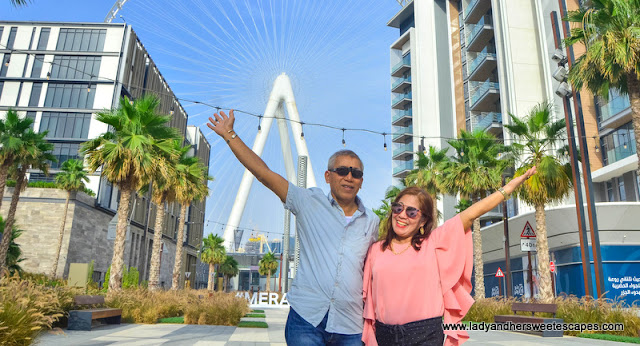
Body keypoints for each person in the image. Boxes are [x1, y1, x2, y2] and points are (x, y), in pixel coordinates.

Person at [208, 110, 379, 345]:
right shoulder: (307, 201)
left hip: (350, 325)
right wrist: (229, 135)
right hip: (306, 319)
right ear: (328, 176)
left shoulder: (373, 222)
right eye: (342, 171)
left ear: (361, 180)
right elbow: (264, 174)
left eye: (356, 173)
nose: (349, 177)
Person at [362, 167, 536, 346]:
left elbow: (472, 213)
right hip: (384, 336)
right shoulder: (376, 250)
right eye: (398, 208)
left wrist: (510, 187)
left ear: (423, 220)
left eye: (411, 212)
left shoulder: (433, 242)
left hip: (424, 335)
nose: (402, 215)